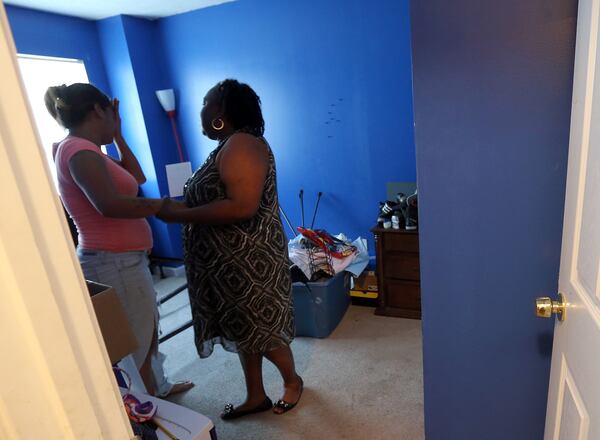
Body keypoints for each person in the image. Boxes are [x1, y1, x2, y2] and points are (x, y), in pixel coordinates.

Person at [158, 79, 303, 418]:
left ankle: (293, 381)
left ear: (221, 110)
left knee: (261, 329)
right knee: (242, 328)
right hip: (227, 263)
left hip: (248, 262)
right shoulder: (228, 144)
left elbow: (242, 206)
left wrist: (181, 214)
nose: (201, 111)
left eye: (206, 103)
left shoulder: (241, 143)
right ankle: (256, 395)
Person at [44, 83, 193, 397]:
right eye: (114, 114)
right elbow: (108, 204)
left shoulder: (91, 150)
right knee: (134, 347)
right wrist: (163, 206)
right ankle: (148, 416)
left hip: (124, 260)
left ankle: (158, 391)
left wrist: (119, 134)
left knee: (147, 332)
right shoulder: (77, 152)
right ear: (99, 110)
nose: (116, 119)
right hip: (113, 263)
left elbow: (137, 178)